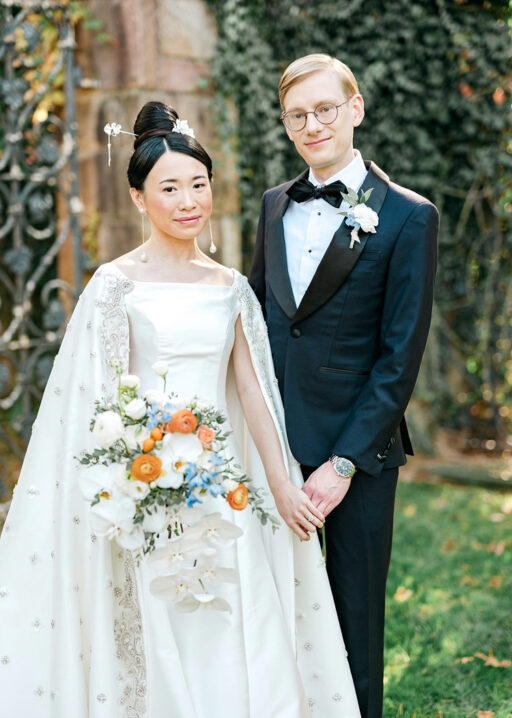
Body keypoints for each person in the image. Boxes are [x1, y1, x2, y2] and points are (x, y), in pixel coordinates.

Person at [0, 101, 357, 717]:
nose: (188, 202)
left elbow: (253, 393)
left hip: (223, 481)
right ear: (138, 198)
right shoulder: (115, 284)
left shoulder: (231, 287)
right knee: (158, 612)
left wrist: (281, 485)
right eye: (170, 188)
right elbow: (105, 397)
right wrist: (134, 479)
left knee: (234, 610)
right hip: (148, 476)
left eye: (198, 185)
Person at [249, 54, 439, 718]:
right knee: (270, 611)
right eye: (297, 115)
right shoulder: (274, 205)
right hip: (271, 447)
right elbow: (259, 322)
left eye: (324, 109)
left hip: (357, 451)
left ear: (354, 108)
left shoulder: (410, 218)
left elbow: (399, 358)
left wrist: (342, 463)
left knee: (354, 619)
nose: (311, 125)